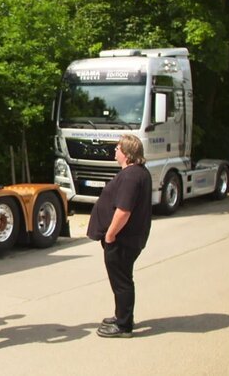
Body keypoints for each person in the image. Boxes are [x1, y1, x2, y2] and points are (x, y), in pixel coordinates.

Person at [87, 134, 152, 338]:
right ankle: (122, 316)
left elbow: (123, 210)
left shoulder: (132, 176)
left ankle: (123, 326)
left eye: (117, 148)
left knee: (122, 281)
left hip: (122, 240)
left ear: (126, 153)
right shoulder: (137, 173)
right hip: (128, 239)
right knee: (122, 279)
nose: (115, 151)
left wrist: (110, 235)